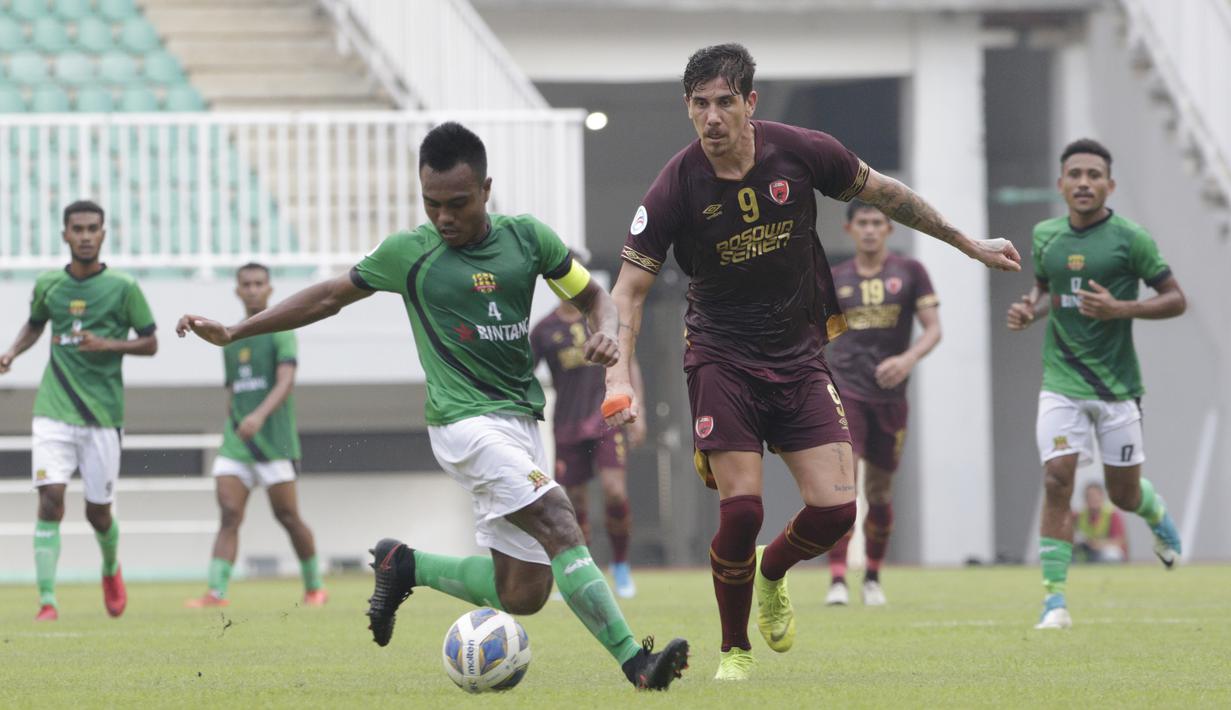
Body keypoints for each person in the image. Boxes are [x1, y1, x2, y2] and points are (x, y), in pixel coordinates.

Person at [177, 122, 688, 690]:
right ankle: (636, 664)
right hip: (462, 422)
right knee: (559, 516)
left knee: (524, 592)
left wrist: (607, 331)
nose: (443, 217)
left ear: (487, 190)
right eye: (431, 203)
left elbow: (594, 297)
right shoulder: (409, 252)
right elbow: (327, 297)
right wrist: (236, 331)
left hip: (520, 423)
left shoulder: (528, 240)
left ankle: (405, 564)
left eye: (458, 203)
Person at [602, 43, 1019, 680]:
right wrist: (618, 377)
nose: (712, 118)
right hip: (720, 358)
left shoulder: (801, 152)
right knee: (743, 510)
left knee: (836, 512)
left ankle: (772, 571)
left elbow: (889, 195)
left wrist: (966, 242)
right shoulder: (674, 186)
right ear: (687, 107)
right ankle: (735, 651)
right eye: (699, 104)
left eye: (724, 102)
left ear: (750, 103)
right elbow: (628, 291)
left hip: (799, 357)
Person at [1006, 138, 1184, 630]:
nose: (1084, 183)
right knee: (1057, 479)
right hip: (1060, 381)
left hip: (1116, 387)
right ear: (1061, 183)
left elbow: (1175, 299)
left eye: (1094, 175)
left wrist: (1121, 308)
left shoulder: (1132, 239)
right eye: (1075, 175)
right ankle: (1054, 601)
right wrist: (1029, 310)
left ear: (1110, 185)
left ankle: (1155, 513)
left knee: (1122, 495)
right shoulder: (1046, 235)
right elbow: (1047, 289)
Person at [0, 200, 158, 621]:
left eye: (92, 229)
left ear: (103, 234)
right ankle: (47, 601)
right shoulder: (49, 284)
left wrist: (108, 344)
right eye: (78, 229)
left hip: (102, 416)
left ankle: (110, 568)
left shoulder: (124, 288)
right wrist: (12, 351)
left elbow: (151, 342)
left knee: (98, 513)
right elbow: (36, 323)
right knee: (50, 499)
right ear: (65, 235)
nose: (85, 236)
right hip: (53, 408)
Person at [185, 263, 327, 608]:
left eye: (258, 283)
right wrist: (237, 421)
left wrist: (260, 416)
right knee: (229, 514)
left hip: (275, 443)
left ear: (270, 289)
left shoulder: (281, 331)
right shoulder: (231, 338)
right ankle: (216, 592)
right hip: (237, 443)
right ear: (237, 290)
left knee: (288, 517)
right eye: (246, 284)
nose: (252, 289)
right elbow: (234, 389)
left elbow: (286, 381)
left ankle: (314, 587)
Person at [822, 200, 941, 607]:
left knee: (879, 489)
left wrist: (907, 359)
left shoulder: (910, 272)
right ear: (849, 229)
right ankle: (838, 578)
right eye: (863, 223)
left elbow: (933, 329)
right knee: (844, 486)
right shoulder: (835, 278)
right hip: (846, 392)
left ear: (889, 229)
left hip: (890, 397)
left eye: (877, 222)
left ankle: (872, 576)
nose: (870, 229)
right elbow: (813, 332)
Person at [531, 295, 647, 598]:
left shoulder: (601, 318)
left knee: (615, 491)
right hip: (567, 424)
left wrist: (639, 409)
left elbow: (628, 361)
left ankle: (620, 565)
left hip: (607, 418)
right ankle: (580, 570)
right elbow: (523, 374)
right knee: (575, 502)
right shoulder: (544, 329)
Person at [1073, 482, 1127, 563]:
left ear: (1102, 497)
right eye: (1089, 496)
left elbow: (1119, 541)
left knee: (1112, 554)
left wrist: (1098, 544)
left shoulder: (1112, 514)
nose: (1092, 499)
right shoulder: (1079, 515)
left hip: (1103, 551)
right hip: (1086, 552)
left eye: (1095, 496)